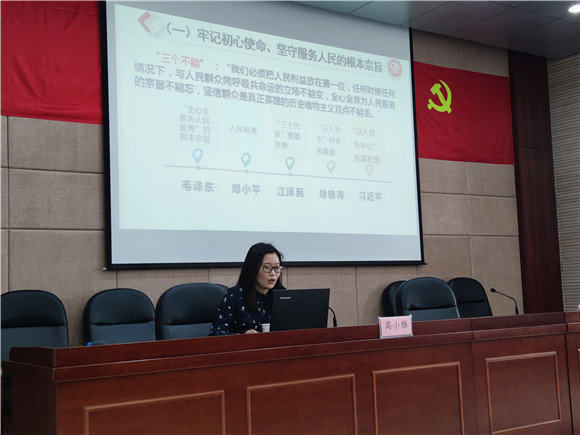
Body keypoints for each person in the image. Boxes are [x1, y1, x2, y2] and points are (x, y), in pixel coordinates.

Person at [209, 242, 285, 335]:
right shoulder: (235, 295)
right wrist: (243, 337)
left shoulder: (282, 296)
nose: (273, 273)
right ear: (253, 268)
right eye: (267, 267)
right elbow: (215, 333)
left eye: (277, 267)